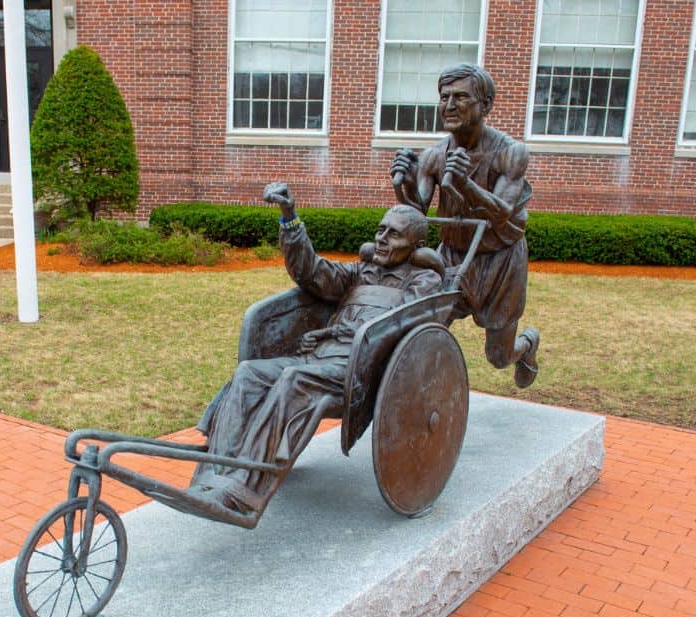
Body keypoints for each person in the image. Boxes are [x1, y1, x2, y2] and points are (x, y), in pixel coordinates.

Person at [189, 182, 443, 516]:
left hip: (358, 368)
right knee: (249, 373)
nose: (382, 239)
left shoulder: (424, 282)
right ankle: (211, 476)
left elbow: (398, 325)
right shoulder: (360, 272)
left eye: (394, 234)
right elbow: (311, 271)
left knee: (293, 379)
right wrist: (290, 218)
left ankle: (242, 491)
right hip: (317, 357)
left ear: (416, 246)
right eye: (380, 230)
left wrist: (335, 331)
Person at [389, 62, 540, 389]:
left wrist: (465, 185)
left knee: (498, 356)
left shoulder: (511, 153)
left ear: (485, 105)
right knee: (423, 329)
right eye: (444, 97)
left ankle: (527, 345)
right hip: (453, 257)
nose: (449, 105)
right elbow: (417, 214)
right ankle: (426, 396)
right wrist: (404, 184)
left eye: (460, 97)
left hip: (500, 261)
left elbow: (501, 213)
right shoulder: (434, 155)